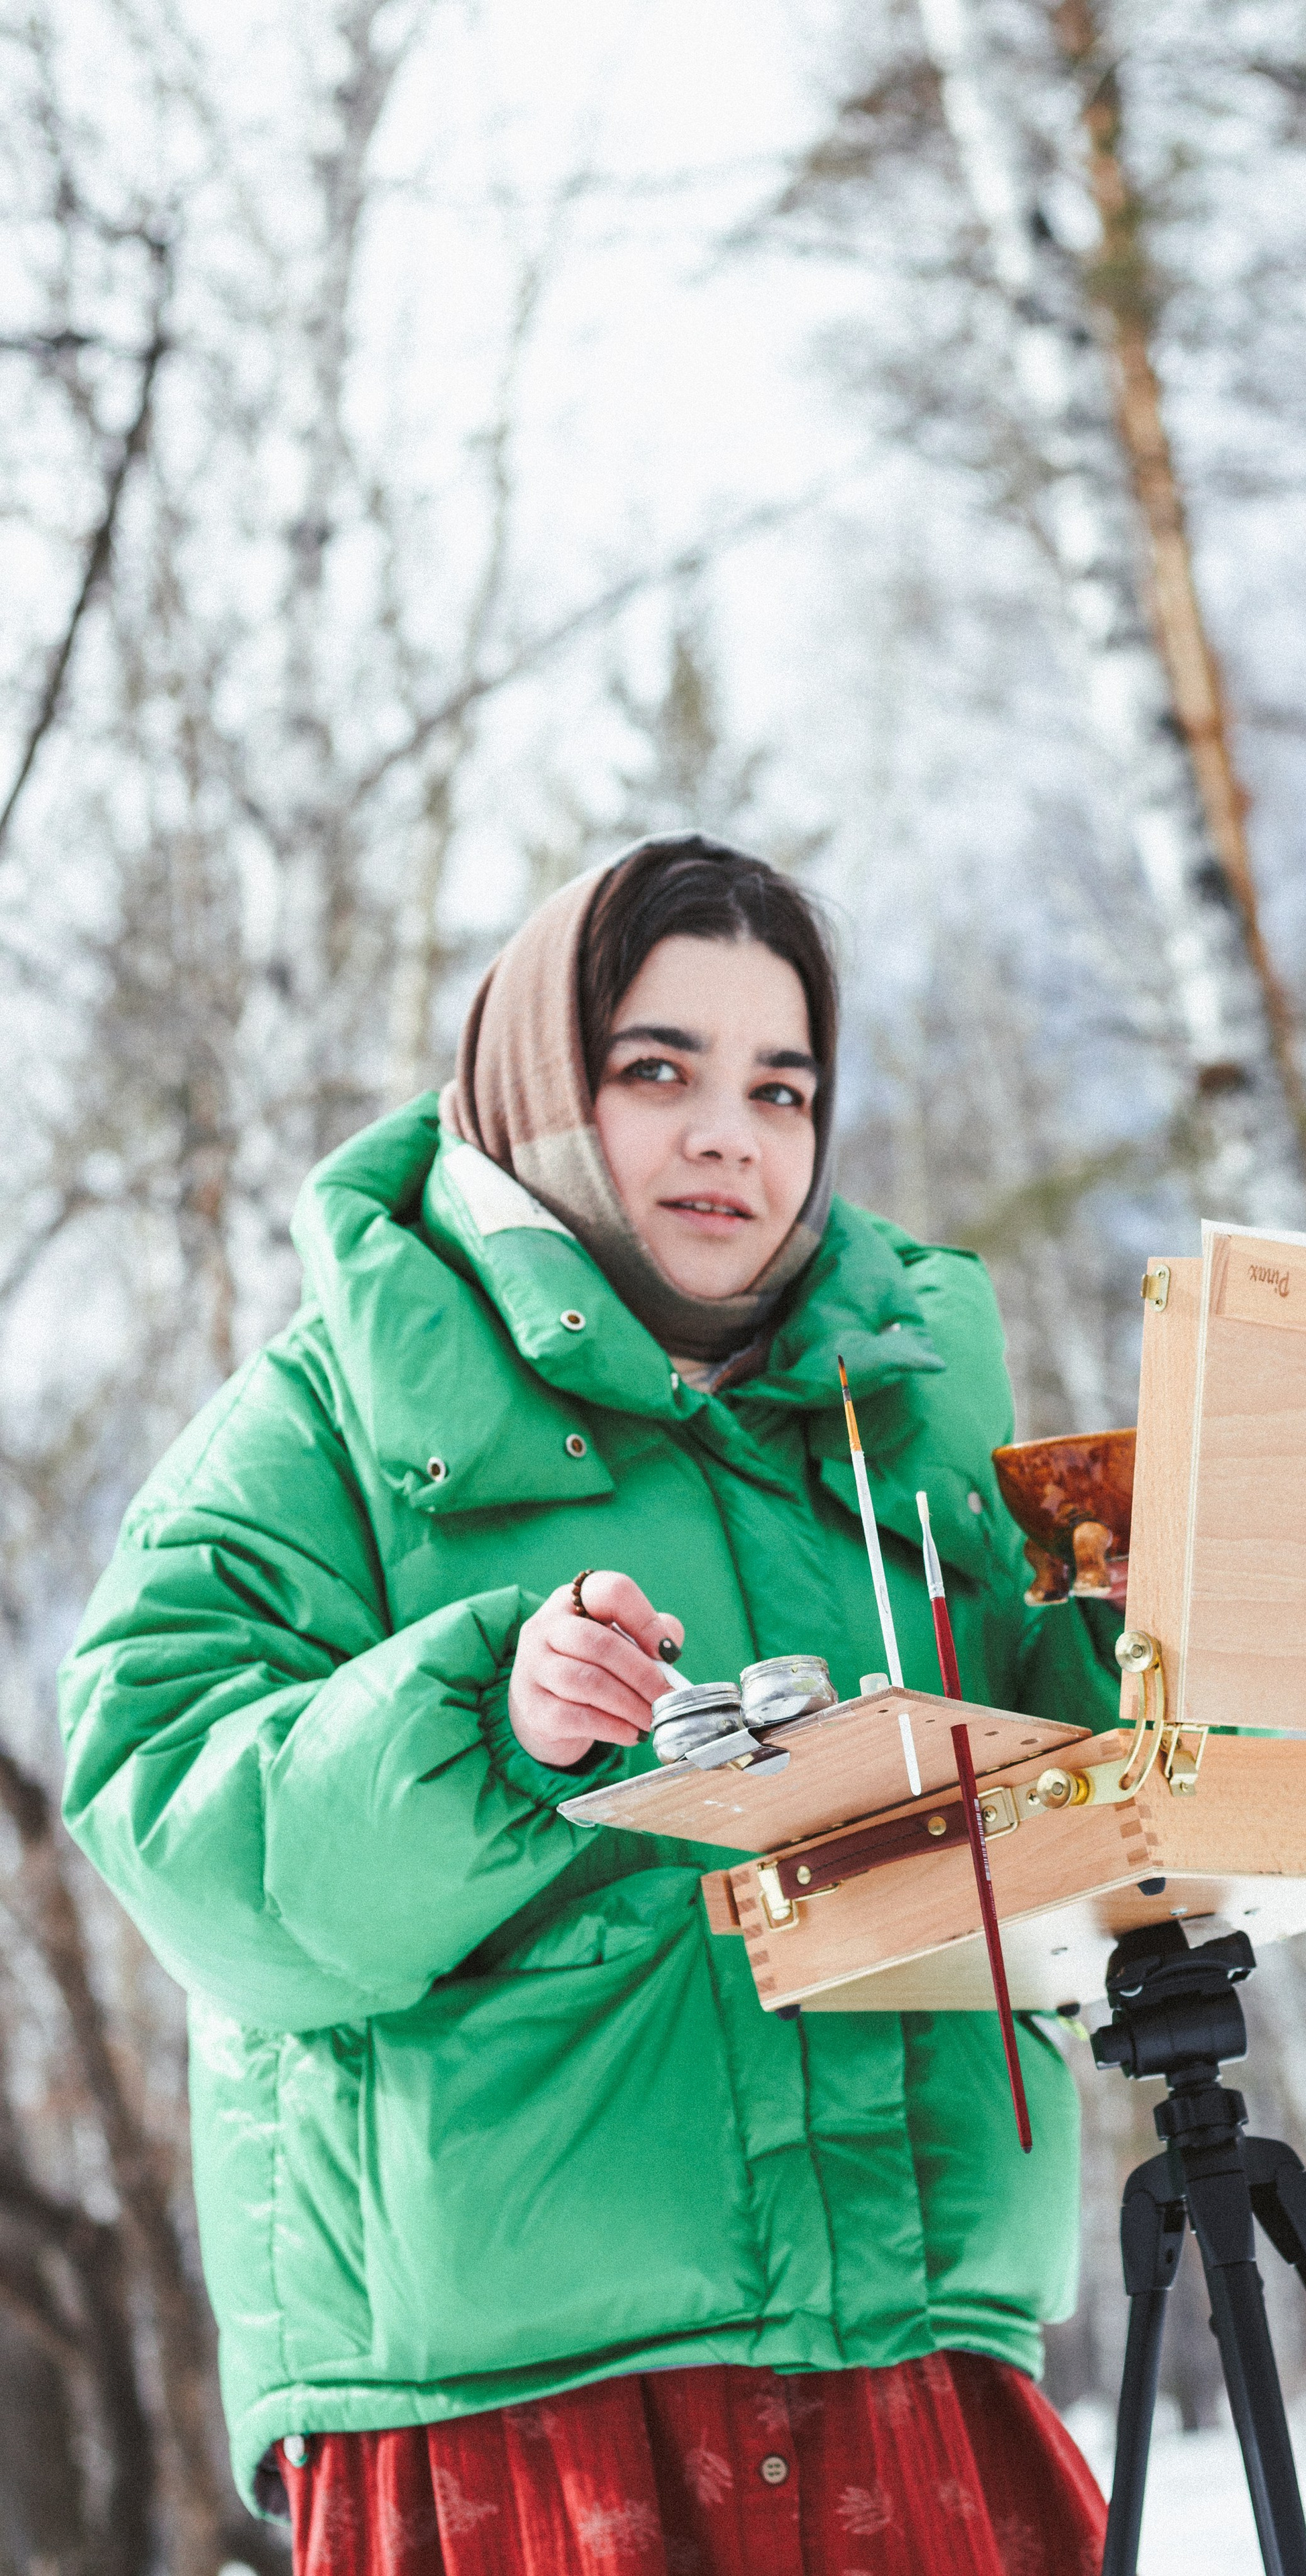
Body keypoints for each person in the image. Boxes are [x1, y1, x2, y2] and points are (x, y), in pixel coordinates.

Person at [59, 834, 1123, 2576]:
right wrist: (486, 1730)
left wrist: (1163, 1628)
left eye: (781, 1088)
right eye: (658, 1072)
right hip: (517, 2420)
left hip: (910, 2357)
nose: (730, 1136)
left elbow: (1068, 1796)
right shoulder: (336, 1405)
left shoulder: (899, 1422)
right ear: (541, 1087)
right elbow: (177, 1821)